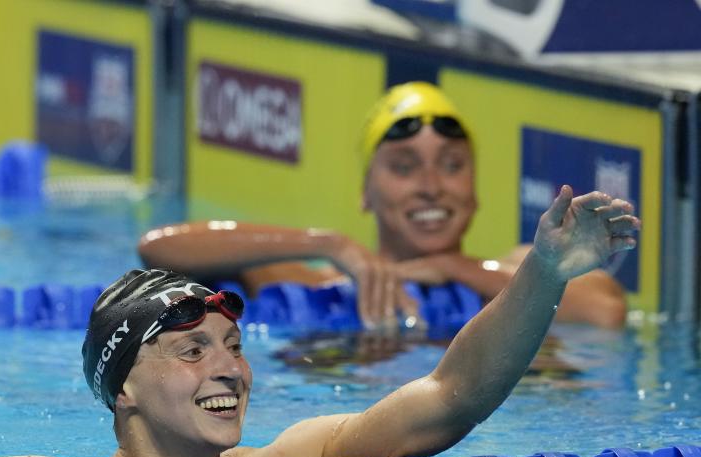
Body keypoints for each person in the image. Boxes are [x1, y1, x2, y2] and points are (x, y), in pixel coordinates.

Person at [0, 185, 638, 457]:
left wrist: (544, 275)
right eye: (192, 349)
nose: (230, 369)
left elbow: (453, 395)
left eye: (234, 345)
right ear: (124, 388)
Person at [137, 82, 629, 330]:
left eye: (452, 165)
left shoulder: (514, 271)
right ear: (366, 193)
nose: (432, 186)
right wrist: (326, 243)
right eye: (404, 166)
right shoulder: (314, 282)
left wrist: (452, 267)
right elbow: (159, 249)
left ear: (476, 190)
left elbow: (606, 310)